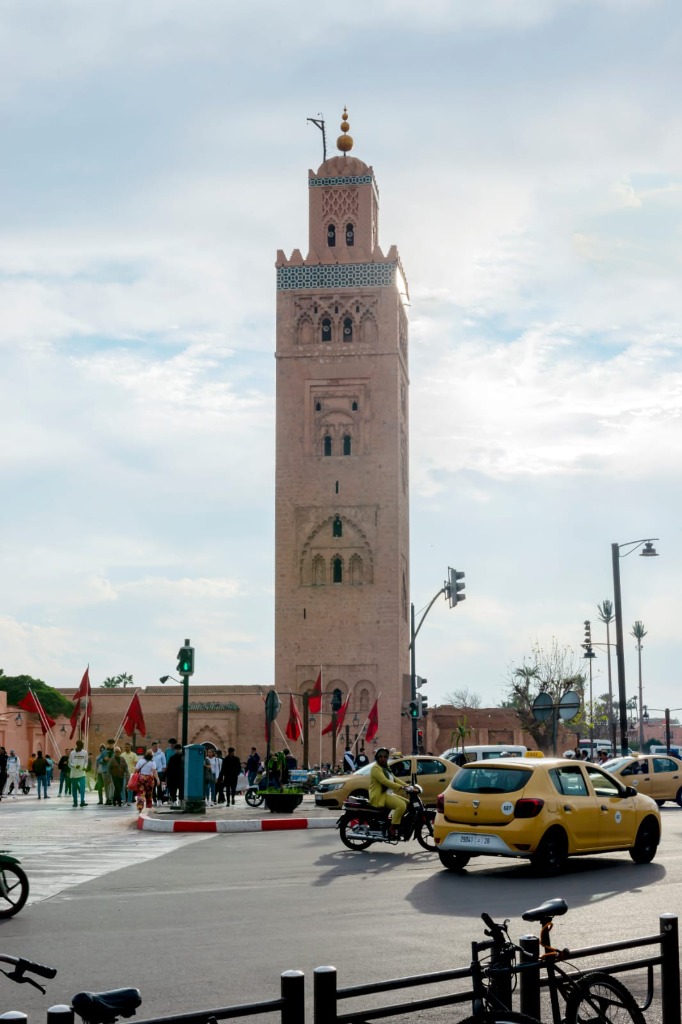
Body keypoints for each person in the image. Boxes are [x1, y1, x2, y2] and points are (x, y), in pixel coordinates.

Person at [369, 747, 411, 835]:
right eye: (380, 757)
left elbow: (394, 779)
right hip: (381, 795)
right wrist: (401, 787)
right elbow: (385, 781)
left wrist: (407, 786)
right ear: (377, 758)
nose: (383, 758)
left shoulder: (386, 768)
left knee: (408, 803)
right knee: (401, 805)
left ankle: (400, 823)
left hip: (388, 794)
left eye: (385, 756)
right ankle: (392, 827)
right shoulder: (376, 768)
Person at [69, 740, 90, 807]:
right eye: (80, 746)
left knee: (82, 788)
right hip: (74, 773)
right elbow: (69, 763)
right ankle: (75, 802)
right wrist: (75, 766)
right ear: (77, 745)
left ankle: (82, 801)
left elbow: (86, 761)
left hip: (82, 773)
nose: (81, 747)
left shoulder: (85, 752)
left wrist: (85, 767)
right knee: (74, 789)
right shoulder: (72, 753)